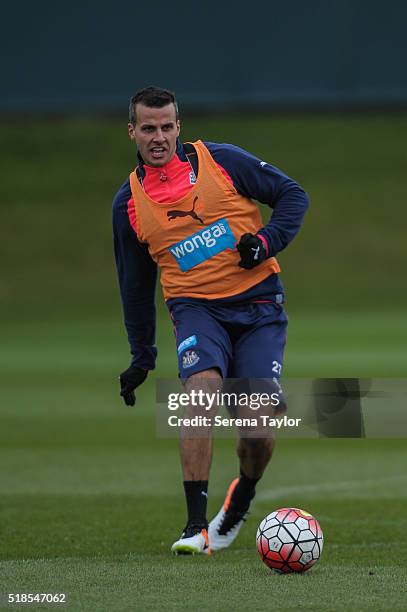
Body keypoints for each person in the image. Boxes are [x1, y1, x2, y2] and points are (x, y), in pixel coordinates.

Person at [112, 86, 309, 555]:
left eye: (165, 127)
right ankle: (195, 526)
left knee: (258, 427)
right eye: (148, 128)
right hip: (196, 309)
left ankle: (241, 494)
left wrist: (263, 243)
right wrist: (142, 356)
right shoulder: (129, 204)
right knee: (199, 391)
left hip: (258, 306)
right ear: (132, 132)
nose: (157, 137)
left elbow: (292, 195)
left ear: (178, 127)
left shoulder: (221, 160)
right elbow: (135, 287)